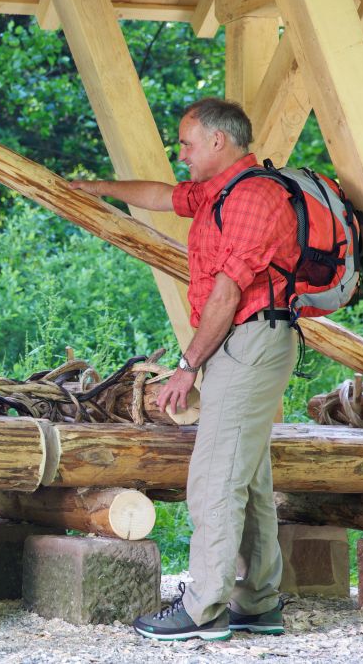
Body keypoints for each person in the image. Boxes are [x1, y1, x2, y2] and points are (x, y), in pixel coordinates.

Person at [70, 98, 299, 641]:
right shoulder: (220, 191)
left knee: (215, 478)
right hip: (246, 341)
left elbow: (226, 293)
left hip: (247, 341)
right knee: (250, 477)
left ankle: (203, 609)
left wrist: (185, 366)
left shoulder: (254, 198)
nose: (182, 152)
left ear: (219, 141)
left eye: (187, 142)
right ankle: (259, 600)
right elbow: (161, 195)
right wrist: (102, 187)